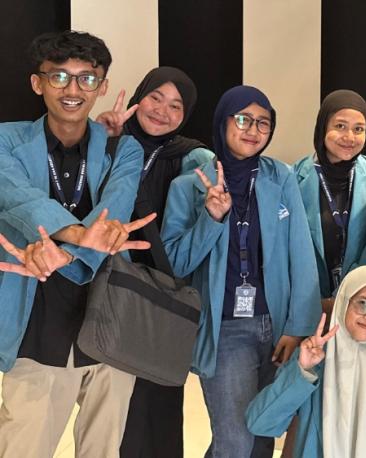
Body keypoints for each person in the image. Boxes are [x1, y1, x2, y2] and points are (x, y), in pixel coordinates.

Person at [0, 30, 153, 457]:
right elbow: (16, 197)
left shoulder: (123, 149)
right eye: (59, 77)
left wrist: (64, 253)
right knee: (23, 447)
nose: (73, 90)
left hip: (110, 326)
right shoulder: (6, 140)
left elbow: (116, 205)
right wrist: (81, 235)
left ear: (101, 87)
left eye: (87, 79)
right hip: (35, 328)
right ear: (38, 83)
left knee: (103, 450)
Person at [161, 85, 321, 457]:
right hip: (225, 329)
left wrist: (297, 326)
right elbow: (176, 262)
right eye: (244, 119)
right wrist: (211, 217)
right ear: (223, 122)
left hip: (276, 325)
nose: (254, 130)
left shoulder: (280, 178)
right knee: (235, 440)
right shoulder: (189, 186)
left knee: (264, 432)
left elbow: (301, 253)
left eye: (263, 123)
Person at [94, 66, 214, 458]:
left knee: (160, 398)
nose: (162, 111)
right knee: (111, 403)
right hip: (109, 288)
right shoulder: (107, 142)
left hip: (163, 293)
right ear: (138, 97)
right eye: (155, 98)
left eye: (176, 105)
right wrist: (102, 140)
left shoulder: (193, 158)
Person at [246, 266, 366, 457]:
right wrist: (301, 371)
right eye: (362, 304)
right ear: (343, 302)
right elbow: (260, 424)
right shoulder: (315, 357)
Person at [291, 89, 366, 312]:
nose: (349, 137)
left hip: (364, 304)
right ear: (323, 126)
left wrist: (350, 293)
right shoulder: (292, 178)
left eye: (358, 129)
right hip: (310, 303)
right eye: (340, 126)